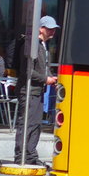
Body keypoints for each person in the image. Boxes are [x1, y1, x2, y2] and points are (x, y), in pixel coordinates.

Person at [15, 15, 58, 166]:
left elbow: (44, 68)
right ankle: (22, 155)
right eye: (49, 28)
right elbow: (27, 71)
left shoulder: (43, 46)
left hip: (38, 90)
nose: (52, 31)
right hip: (29, 90)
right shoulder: (31, 46)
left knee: (36, 124)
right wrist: (46, 79)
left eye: (53, 29)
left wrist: (51, 77)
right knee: (27, 123)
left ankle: (31, 155)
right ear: (41, 28)